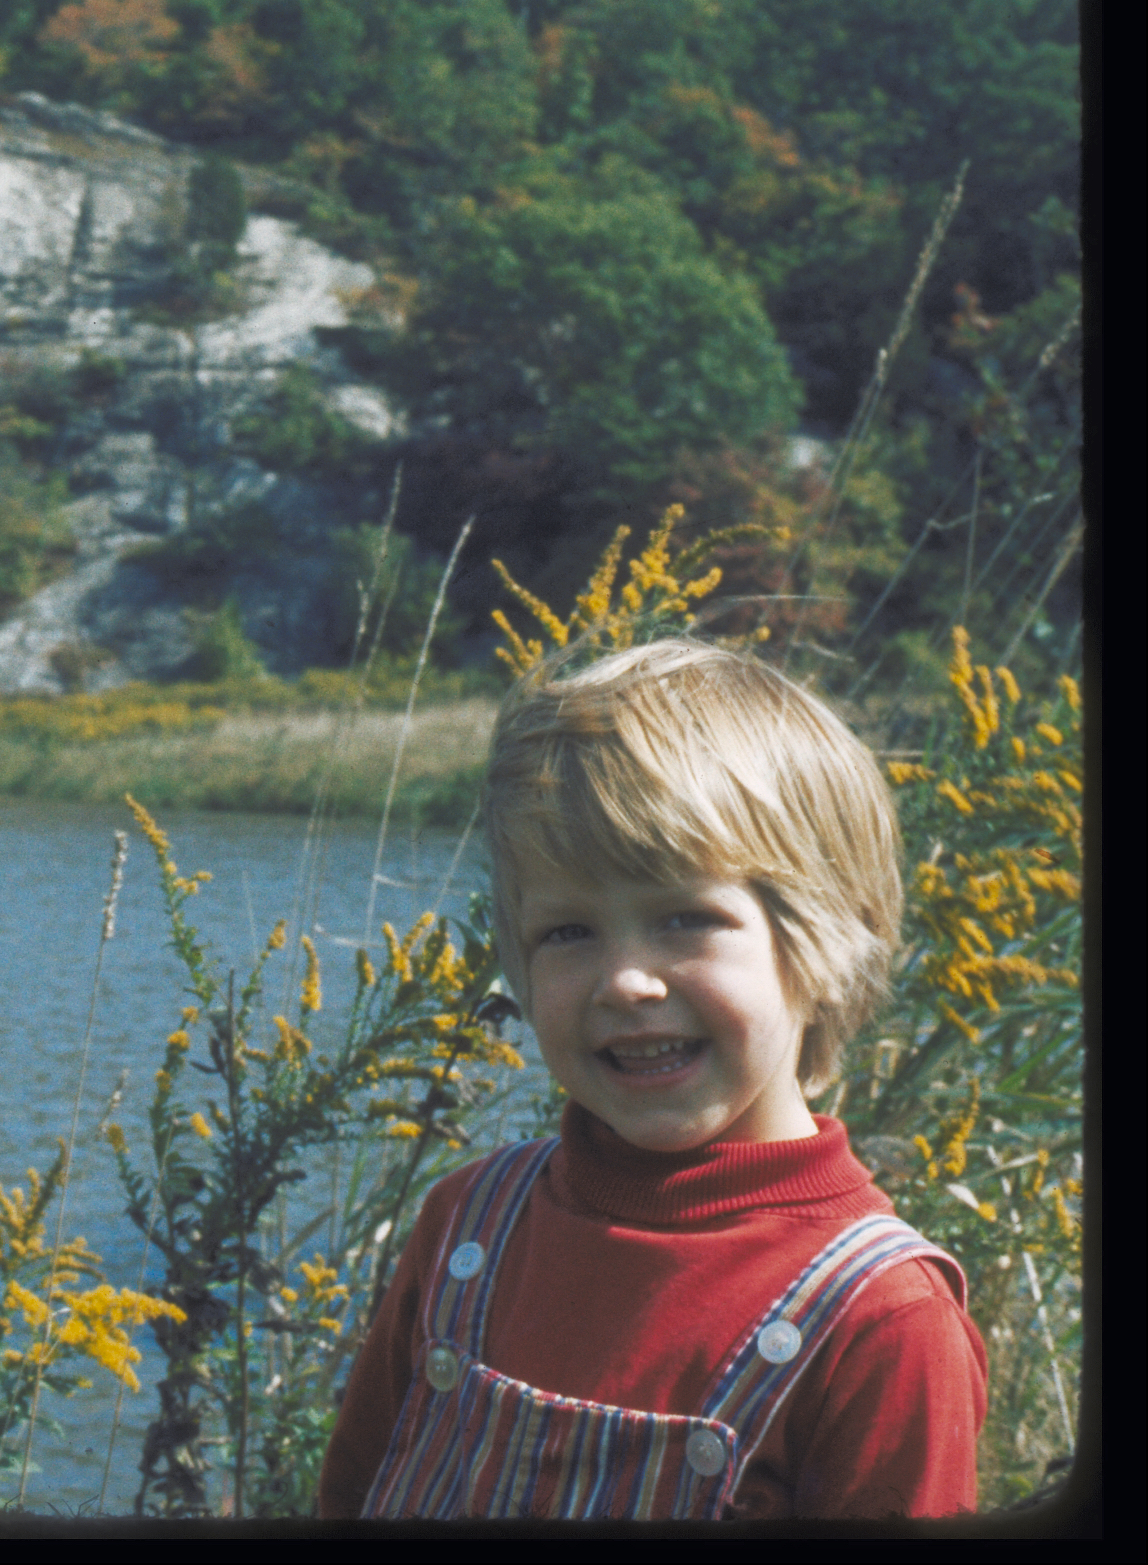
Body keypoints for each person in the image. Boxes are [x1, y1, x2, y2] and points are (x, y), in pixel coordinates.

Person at [318, 637, 987, 1520]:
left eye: (685, 918)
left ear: (823, 942)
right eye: (567, 932)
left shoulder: (881, 1322)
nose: (626, 980)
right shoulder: (468, 1229)